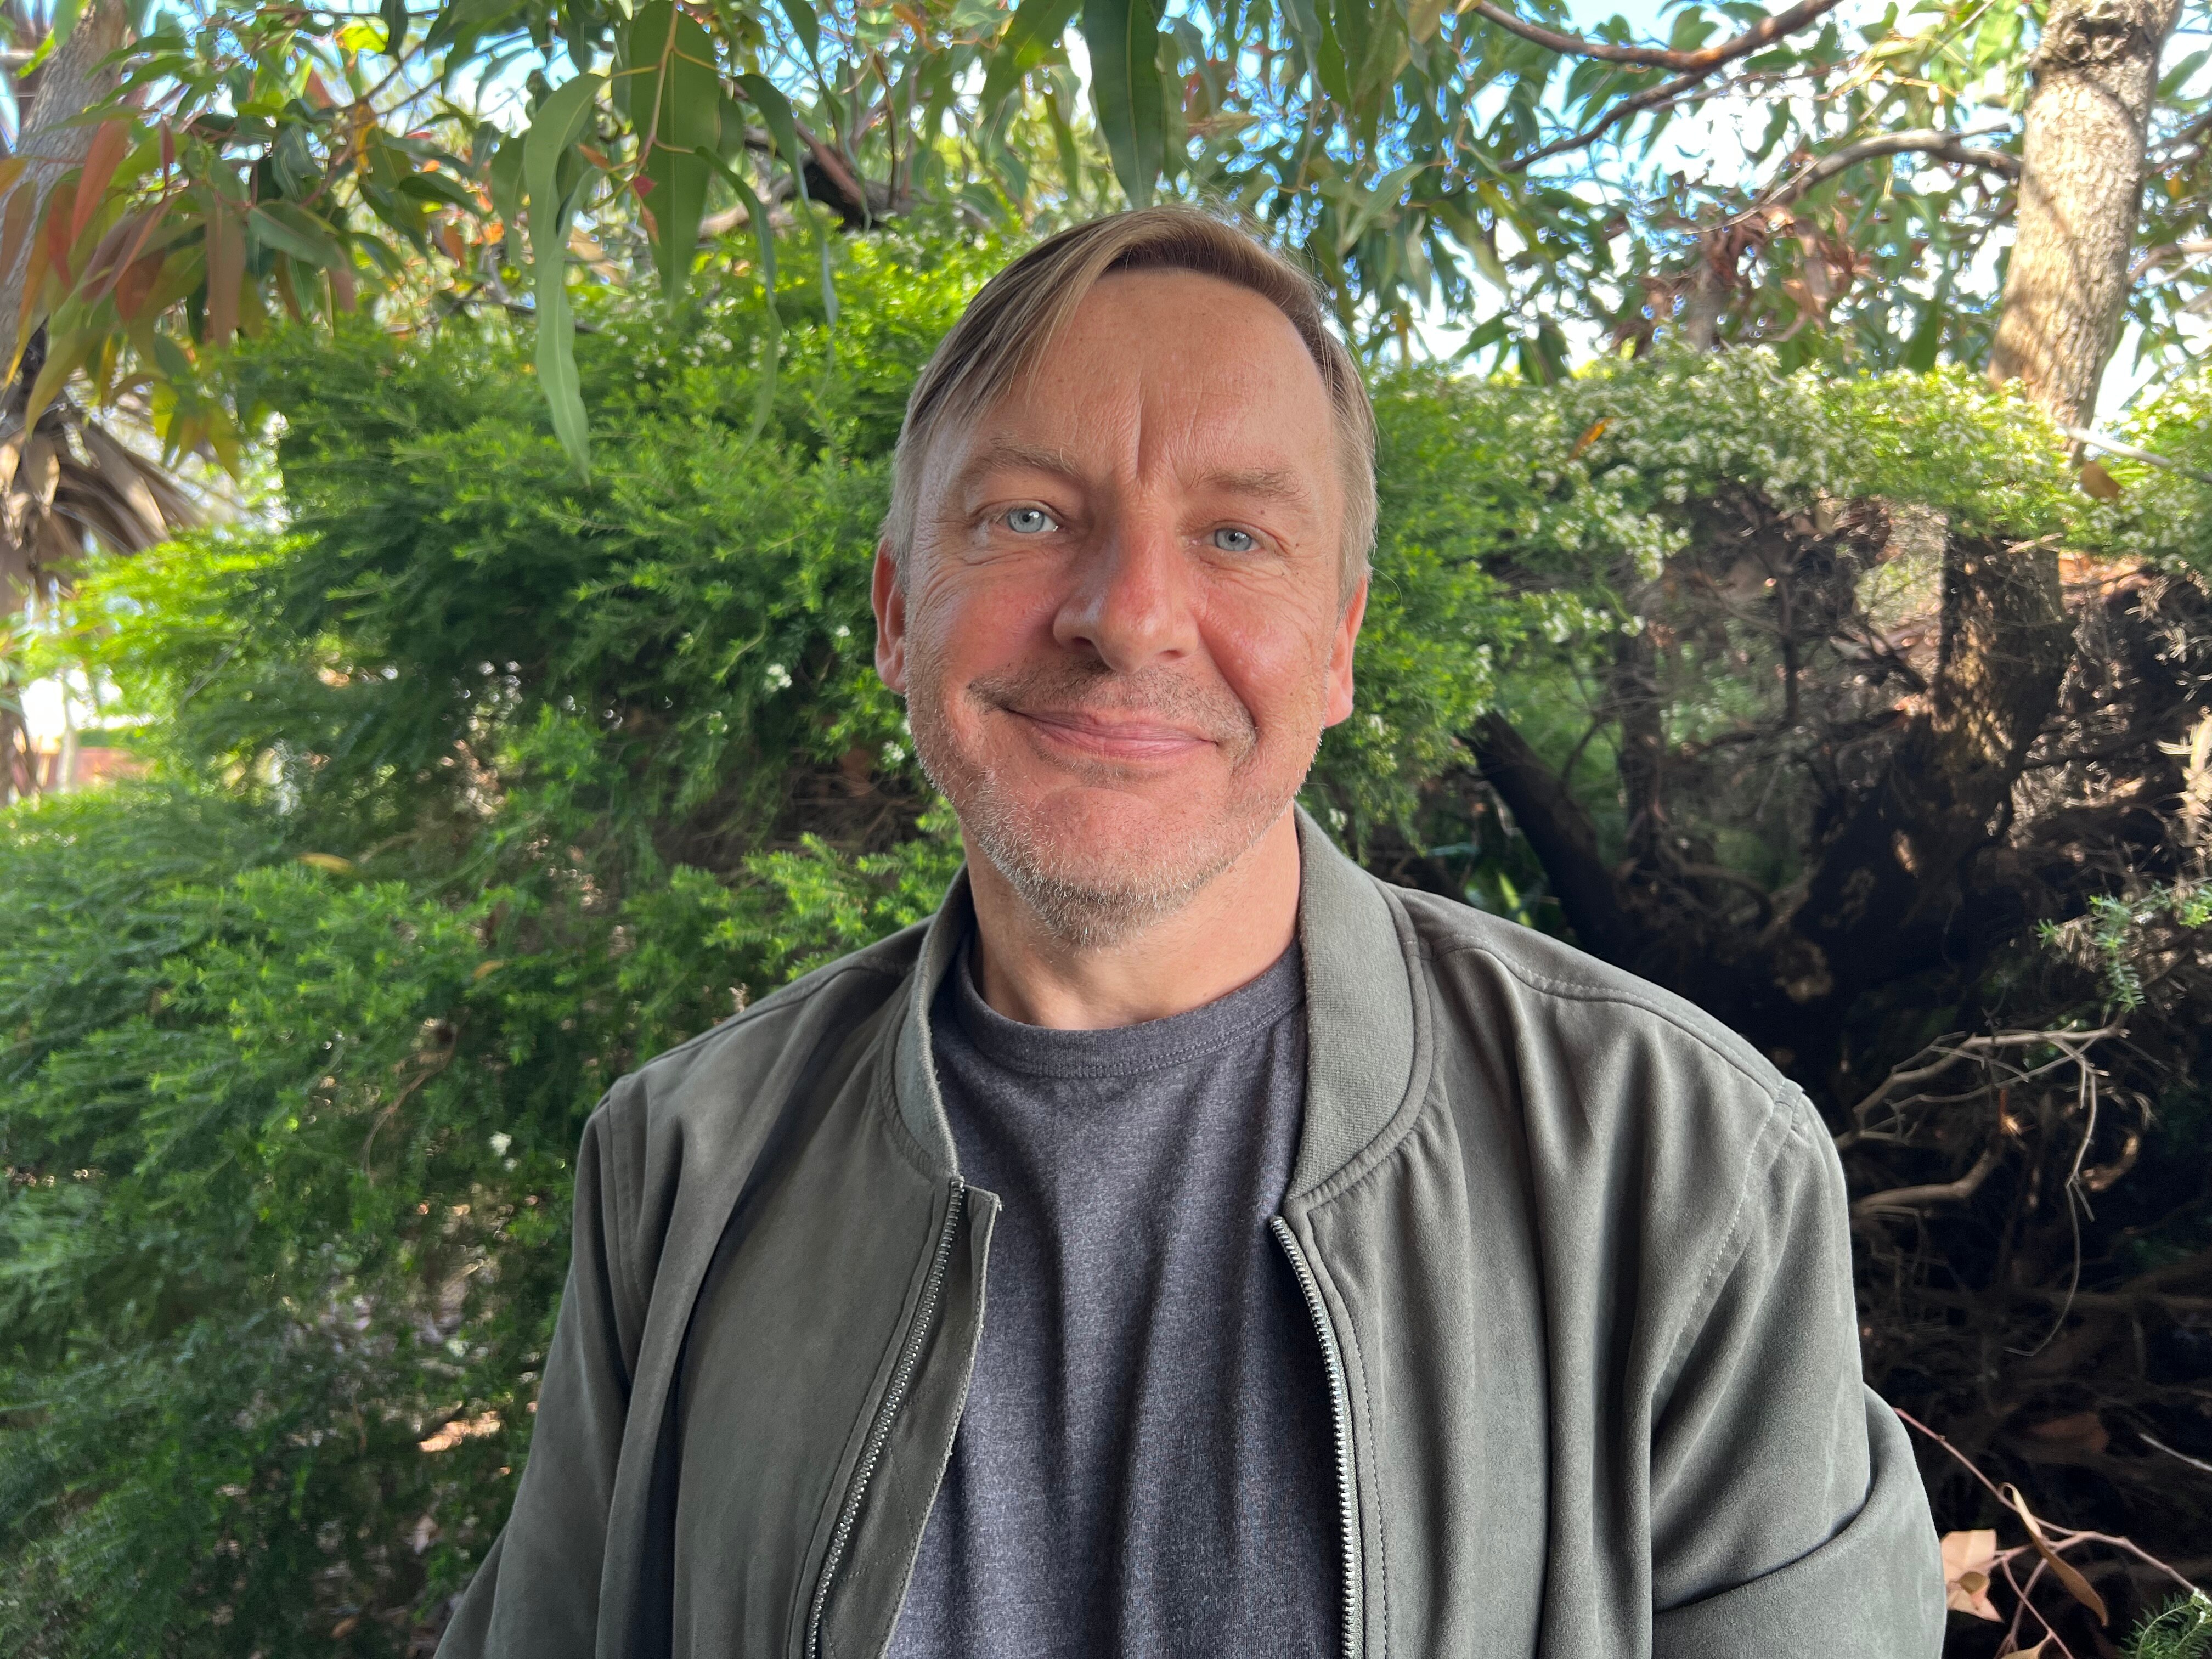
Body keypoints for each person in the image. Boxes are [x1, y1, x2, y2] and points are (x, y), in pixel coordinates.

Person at [436, 207, 1944, 1659]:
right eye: (1029, 515)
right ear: (900, 615)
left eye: (1234, 533)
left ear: (1339, 648)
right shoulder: (680, 1164)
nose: (1130, 615)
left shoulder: (1681, 1163)